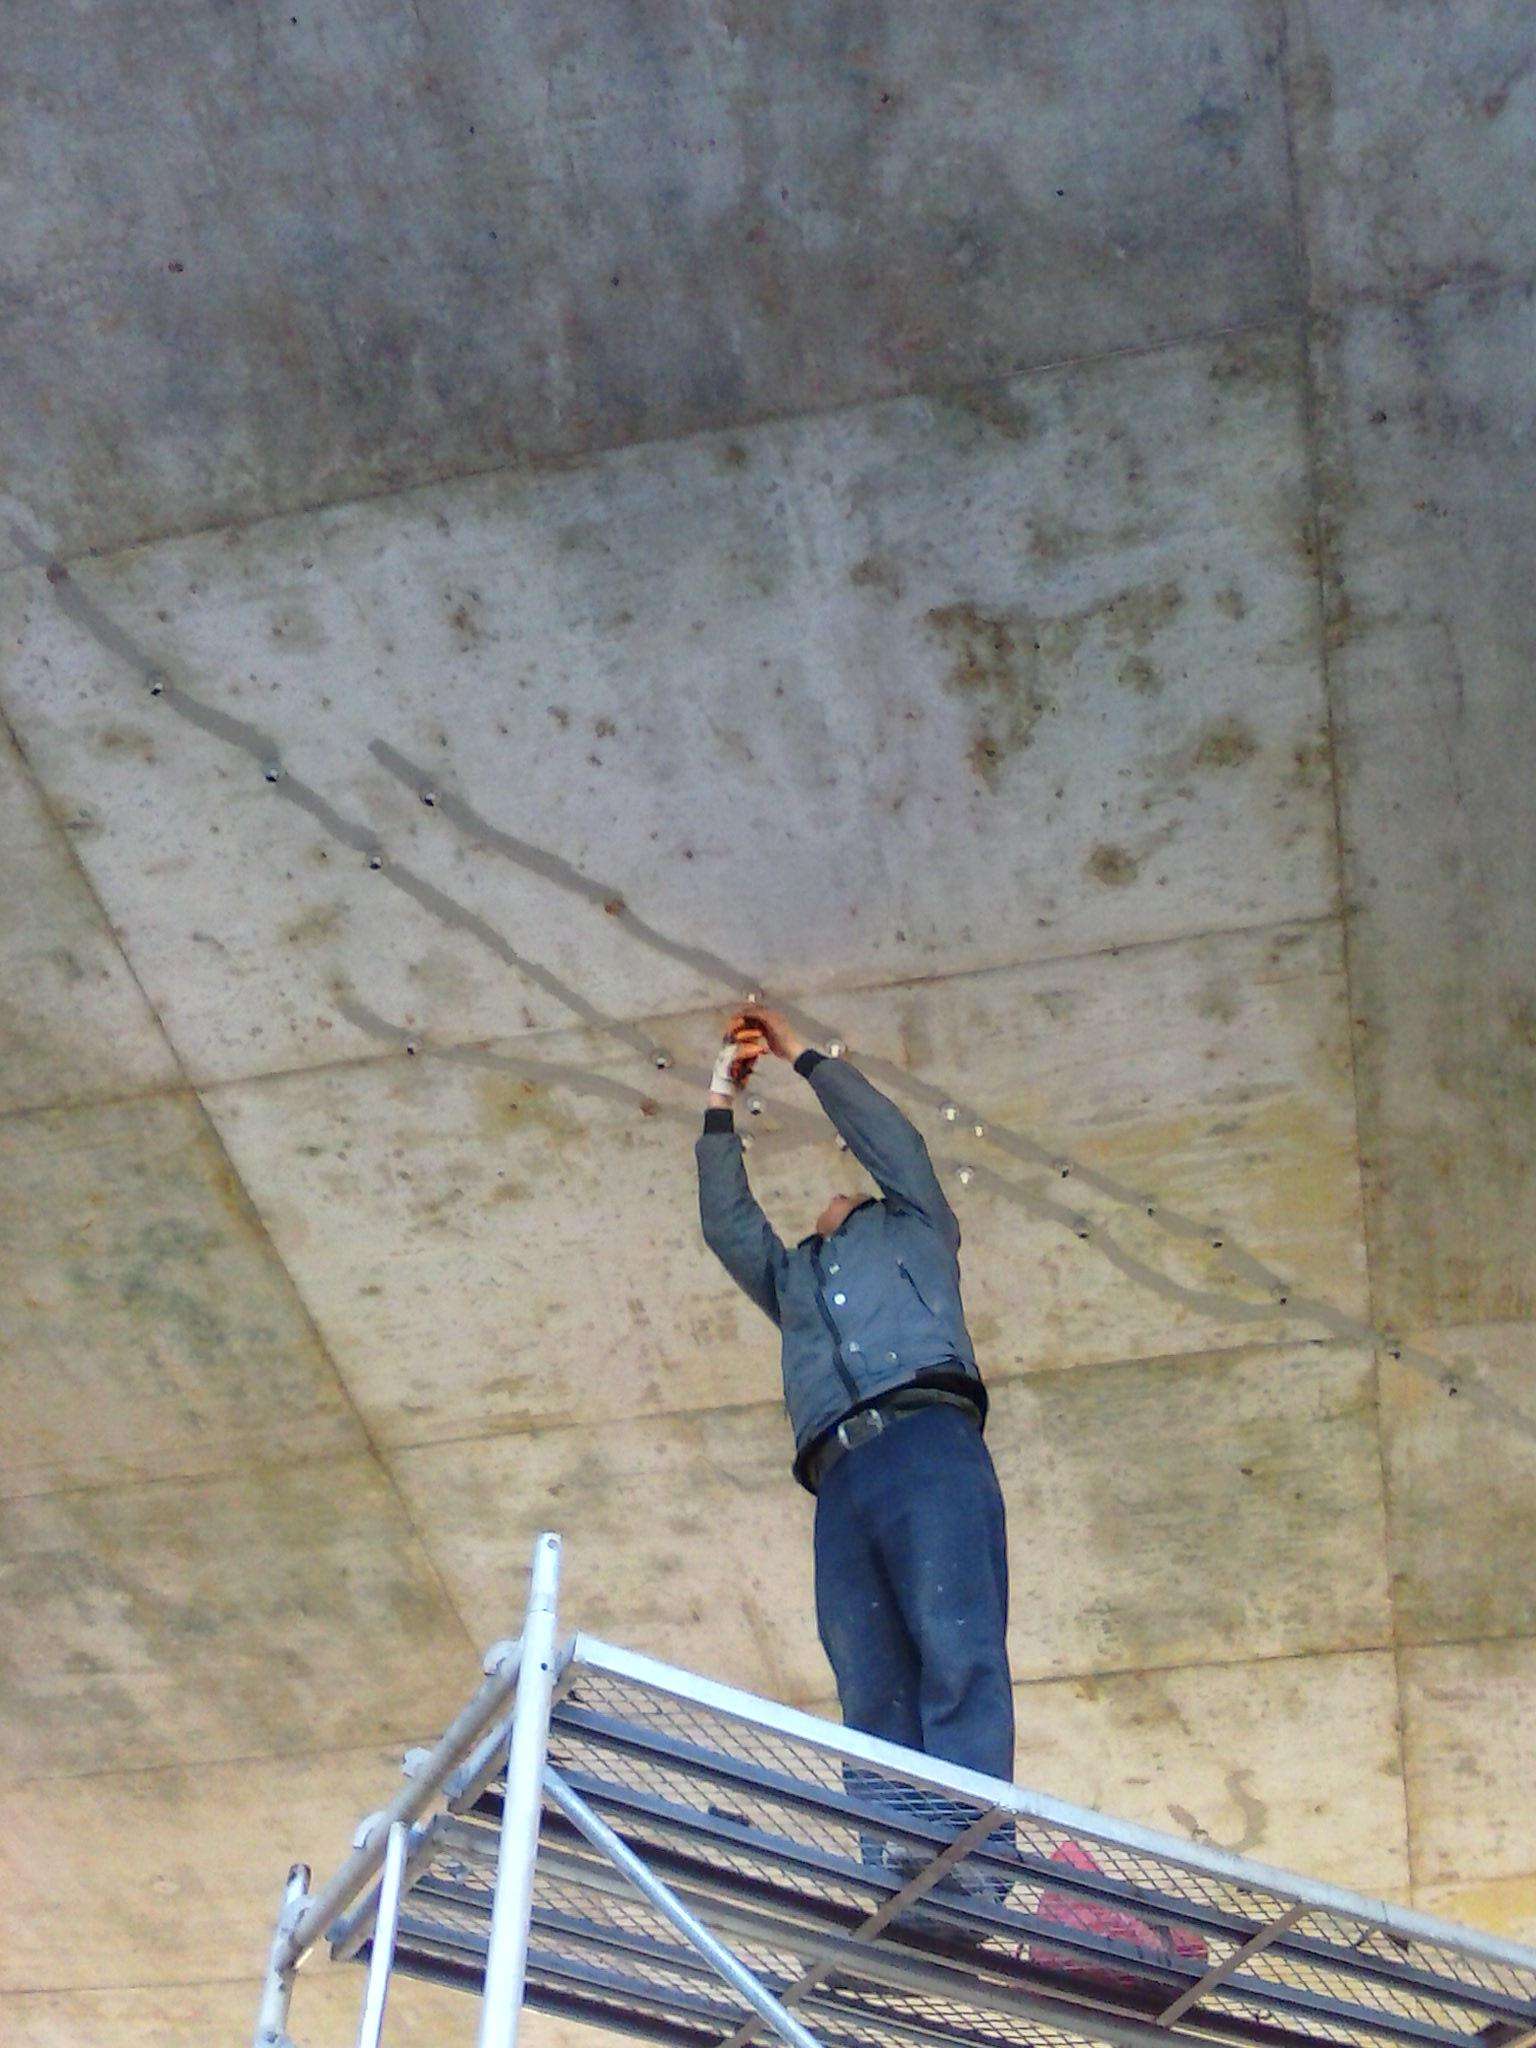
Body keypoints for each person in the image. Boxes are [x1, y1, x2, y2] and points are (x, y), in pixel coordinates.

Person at [695, 1005, 1015, 1890]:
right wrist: (720, 1096)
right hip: (839, 1477)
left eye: (844, 1190)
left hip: (927, 1441)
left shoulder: (916, 1224)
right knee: (869, 1675)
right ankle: (897, 1871)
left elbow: (888, 1137)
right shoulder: (793, 1279)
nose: (827, 1198)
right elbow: (727, 1224)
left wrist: (799, 1055)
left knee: (955, 1641)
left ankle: (974, 1866)